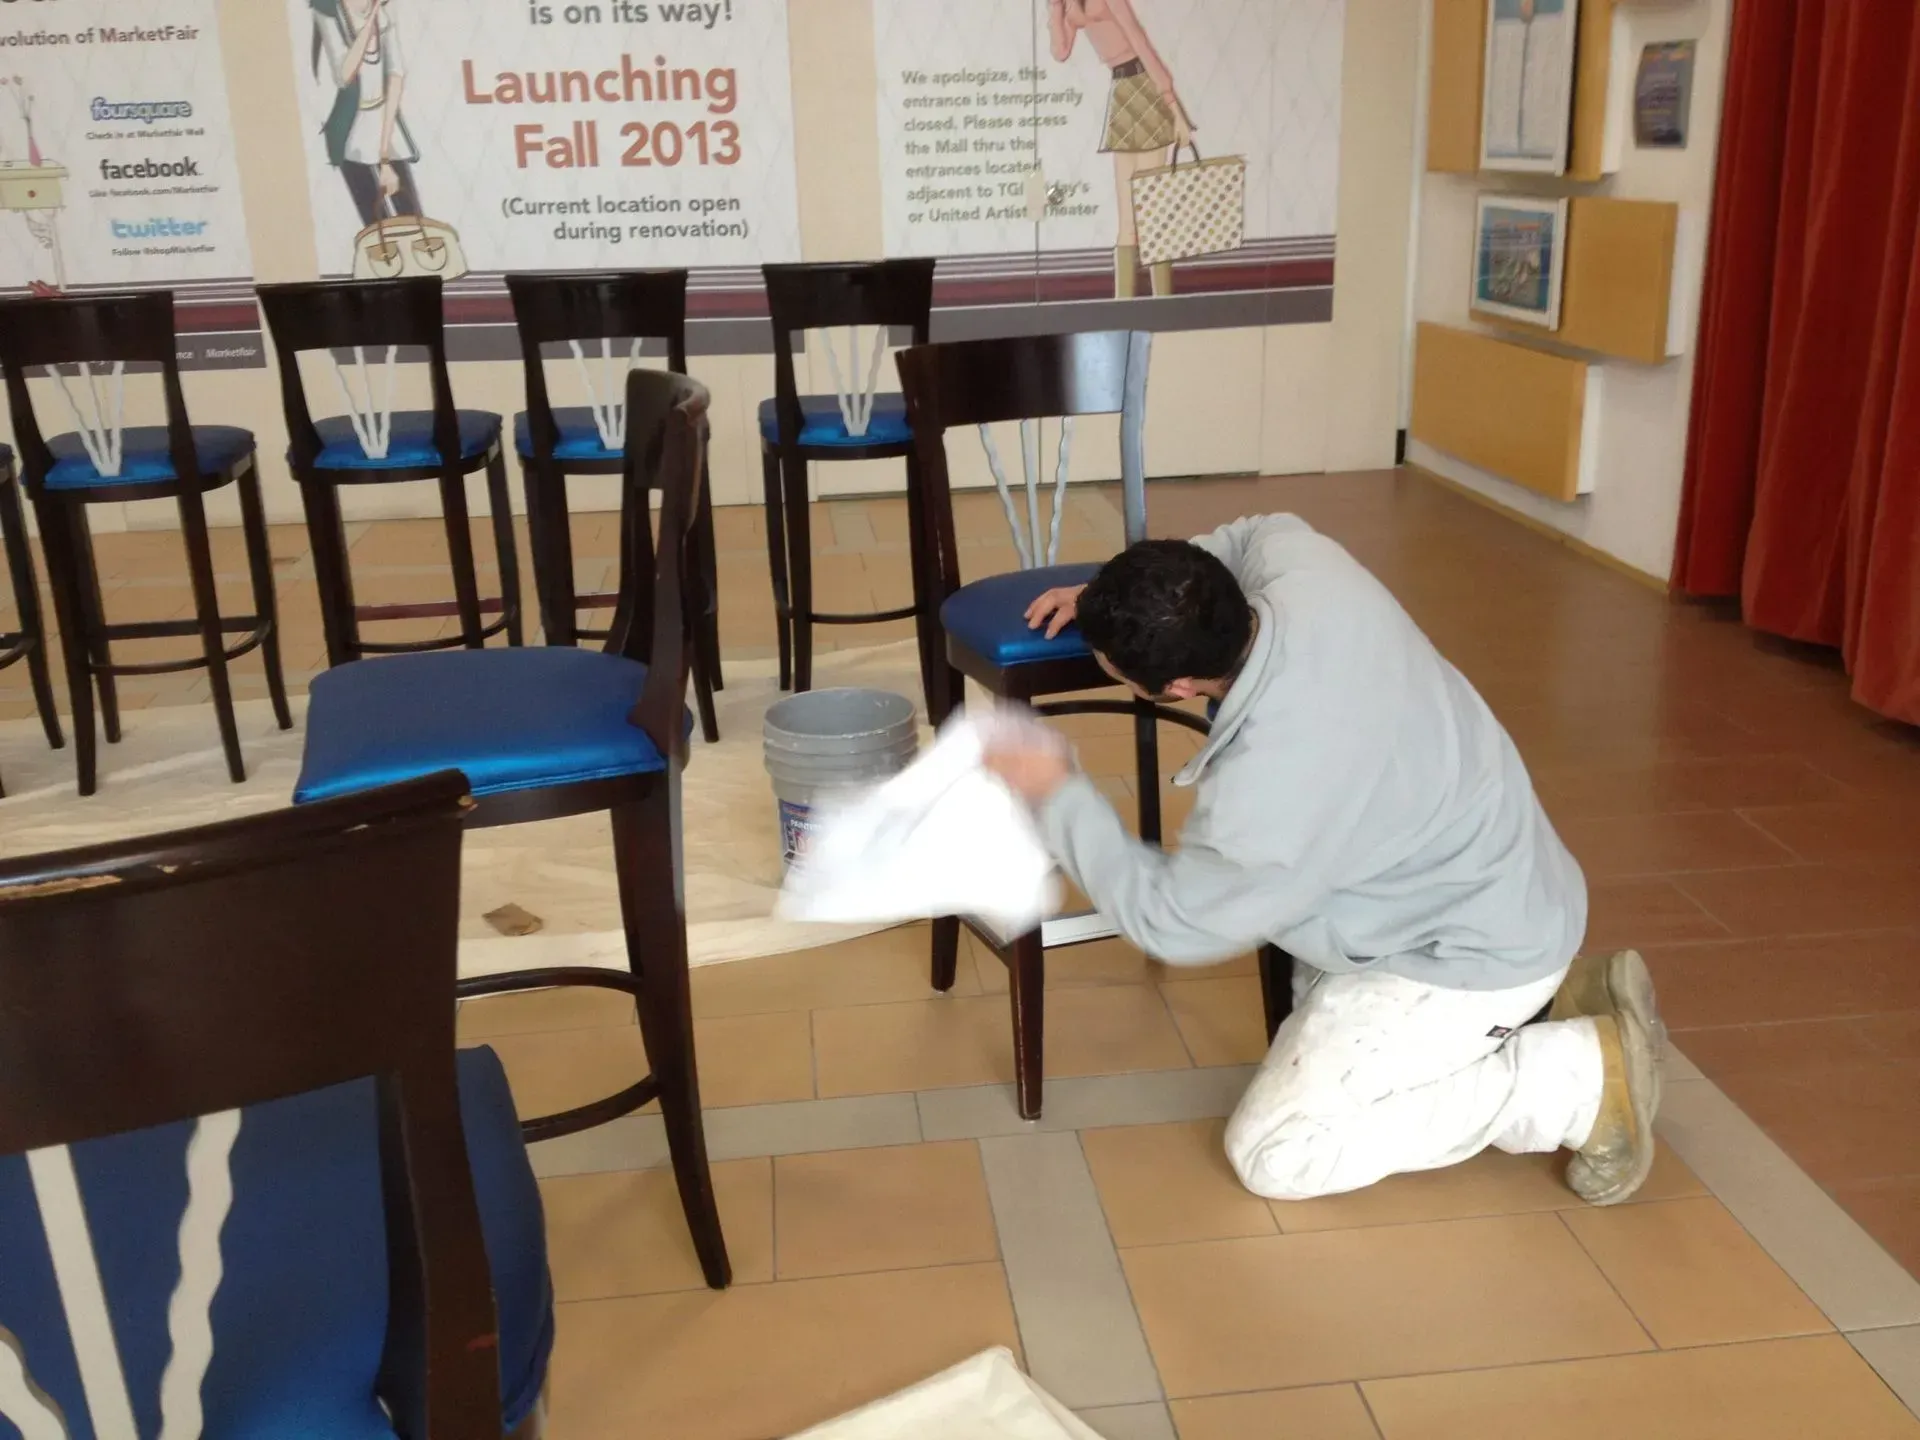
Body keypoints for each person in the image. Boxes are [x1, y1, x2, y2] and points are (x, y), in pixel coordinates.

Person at [980, 514, 1663, 1205]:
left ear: (1180, 687)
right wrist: (1113, 594)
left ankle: (1573, 1077)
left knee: (1277, 1152)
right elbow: (1255, 530)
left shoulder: (1271, 790)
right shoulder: (1309, 572)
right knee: (1320, 1016)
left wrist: (1056, 791)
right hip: (1508, 880)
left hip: (1461, 954)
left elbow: (1174, 922)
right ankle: (1549, 1003)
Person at [1049, 0, 1191, 299]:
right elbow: (1060, 52)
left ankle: (1163, 305)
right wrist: (1054, 7)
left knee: (1153, 213)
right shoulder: (1071, 7)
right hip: (1123, 92)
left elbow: (1139, 41)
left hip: (1146, 88)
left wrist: (1175, 109)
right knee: (1127, 223)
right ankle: (1123, 308)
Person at [310, 0, 423, 226]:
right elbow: (344, 75)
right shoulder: (327, 11)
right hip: (350, 132)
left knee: (412, 222)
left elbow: (395, 76)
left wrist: (384, 155)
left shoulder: (385, 11)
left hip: (386, 126)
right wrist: (371, 20)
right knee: (374, 229)